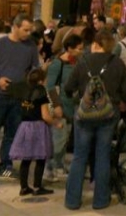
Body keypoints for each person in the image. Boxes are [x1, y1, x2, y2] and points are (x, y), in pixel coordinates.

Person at [63, 30, 126, 211]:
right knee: (102, 156)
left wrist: (77, 98)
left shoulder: (83, 62)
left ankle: (72, 201)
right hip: (108, 116)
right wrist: (122, 102)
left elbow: (68, 87)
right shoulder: (118, 63)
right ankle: (101, 200)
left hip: (84, 116)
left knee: (79, 156)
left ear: (95, 44)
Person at [0, 14, 41, 183]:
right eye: (25, 30)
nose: (28, 33)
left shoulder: (31, 46)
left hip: (18, 96)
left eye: (30, 30)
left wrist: (34, 78)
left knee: (11, 134)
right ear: (15, 27)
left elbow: (34, 68)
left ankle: (6, 166)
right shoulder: (0, 44)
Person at [10, 69, 56, 197]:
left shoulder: (24, 89)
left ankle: (24, 187)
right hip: (38, 127)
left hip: (24, 126)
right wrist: (56, 123)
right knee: (40, 158)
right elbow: (45, 115)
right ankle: (37, 186)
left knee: (26, 158)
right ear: (41, 81)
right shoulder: (41, 91)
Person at [45, 33, 82, 182]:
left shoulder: (76, 63)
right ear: (69, 48)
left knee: (64, 139)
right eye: (78, 48)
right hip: (60, 106)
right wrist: (56, 105)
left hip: (71, 106)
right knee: (57, 140)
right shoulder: (57, 64)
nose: (81, 51)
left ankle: (58, 166)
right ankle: (49, 168)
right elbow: (50, 86)